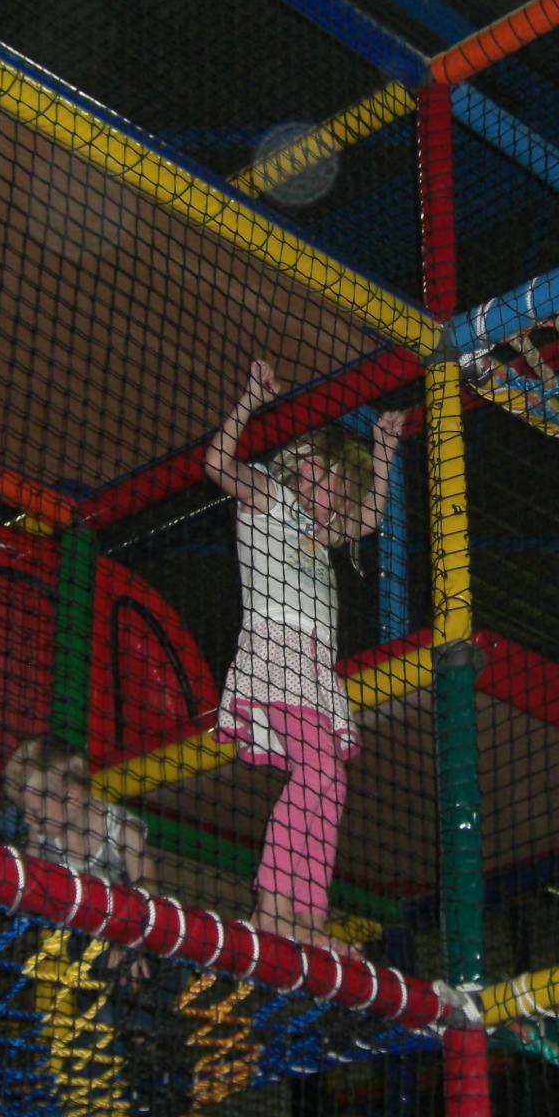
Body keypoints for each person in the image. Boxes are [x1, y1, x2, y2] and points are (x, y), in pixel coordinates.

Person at [205, 359, 404, 955]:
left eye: (336, 496)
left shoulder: (318, 531)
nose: (330, 504)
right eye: (326, 486)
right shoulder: (268, 495)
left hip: (314, 666)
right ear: (304, 464)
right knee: (319, 772)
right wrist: (250, 399)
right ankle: (272, 909)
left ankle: (306, 916)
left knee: (328, 779)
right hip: (275, 652)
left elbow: (368, 520)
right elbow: (215, 465)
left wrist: (386, 450)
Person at [0, 732, 151, 891]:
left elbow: (150, 898)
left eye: (35, 812)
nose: (28, 820)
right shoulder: (40, 830)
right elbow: (30, 880)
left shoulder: (125, 834)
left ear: (71, 799)